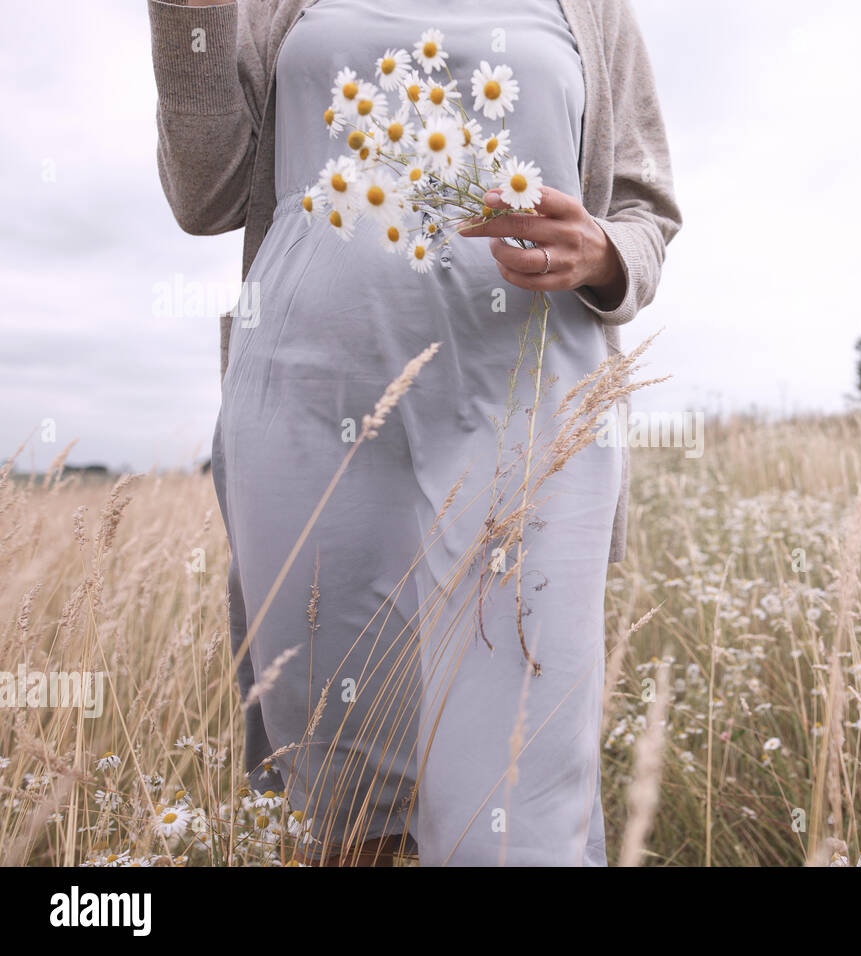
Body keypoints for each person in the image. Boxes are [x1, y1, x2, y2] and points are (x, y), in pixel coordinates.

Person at [146, 0, 681, 865]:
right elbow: (204, 194)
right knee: (344, 804)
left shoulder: (590, 10)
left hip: (527, 409)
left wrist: (603, 251)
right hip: (307, 407)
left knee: (513, 814)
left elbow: (645, 212)